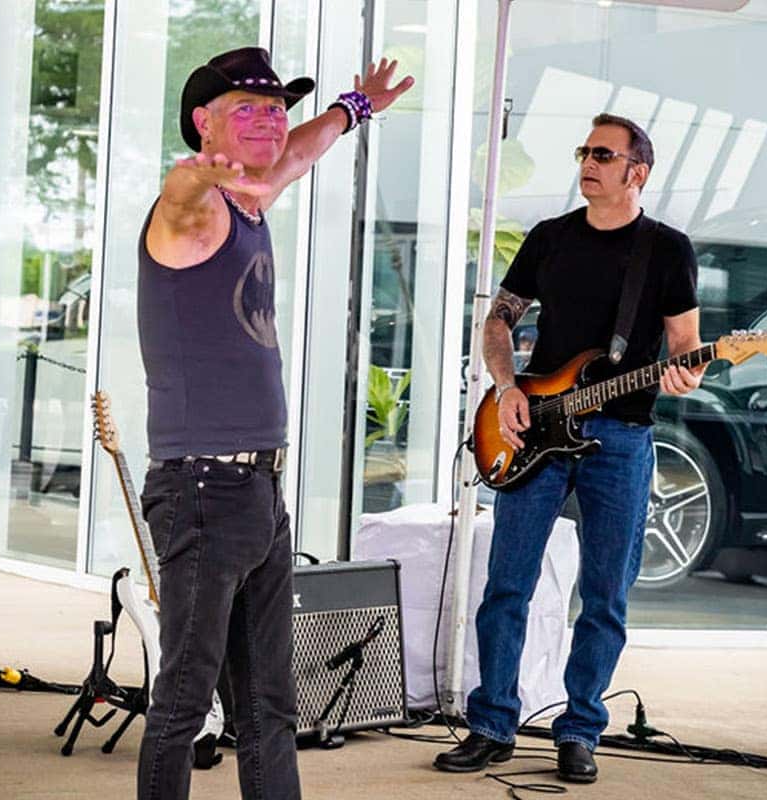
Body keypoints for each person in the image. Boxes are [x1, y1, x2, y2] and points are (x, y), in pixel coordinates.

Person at [135, 47, 412, 800]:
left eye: (274, 108)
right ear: (203, 123)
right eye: (246, 109)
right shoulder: (190, 212)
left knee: (270, 706)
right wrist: (200, 171)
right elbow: (180, 189)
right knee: (185, 704)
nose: (270, 122)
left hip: (258, 490)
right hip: (201, 489)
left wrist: (356, 108)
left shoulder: (256, 195)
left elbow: (303, 146)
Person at [433, 113, 704, 784]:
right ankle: (492, 722)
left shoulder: (667, 250)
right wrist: (505, 388)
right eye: (585, 150)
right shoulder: (551, 238)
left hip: (622, 438)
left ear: (636, 172)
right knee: (507, 585)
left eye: (603, 154)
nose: (588, 161)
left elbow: (685, 355)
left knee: (606, 594)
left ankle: (580, 730)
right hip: (536, 428)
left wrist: (686, 374)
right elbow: (499, 317)